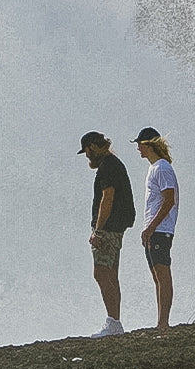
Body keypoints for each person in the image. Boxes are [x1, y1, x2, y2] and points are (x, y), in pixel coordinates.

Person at [77, 131, 136, 337]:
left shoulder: (108, 167)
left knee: (101, 273)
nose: (87, 157)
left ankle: (113, 323)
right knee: (111, 274)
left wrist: (98, 231)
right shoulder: (114, 164)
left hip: (108, 228)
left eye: (86, 151)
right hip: (116, 227)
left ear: (92, 147)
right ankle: (115, 322)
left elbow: (107, 199)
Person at [132, 126, 179, 331]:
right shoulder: (155, 168)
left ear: (148, 145)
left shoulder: (162, 168)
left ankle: (163, 323)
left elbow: (169, 200)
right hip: (154, 230)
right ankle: (161, 322)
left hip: (160, 230)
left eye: (140, 145)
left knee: (162, 274)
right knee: (157, 276)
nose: (138, 149)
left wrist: (151, 227)